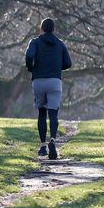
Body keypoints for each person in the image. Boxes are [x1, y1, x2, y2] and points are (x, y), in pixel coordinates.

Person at [25, 18, 72, 160]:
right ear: (53, 29)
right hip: (54, 81)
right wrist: (57, 67)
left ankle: (43, 146)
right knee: (53, 113)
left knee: (41, 112)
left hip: (39, 81)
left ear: (42, 28)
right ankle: (52, 139)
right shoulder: (60, 44)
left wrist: (30, 67)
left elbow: (29, 55)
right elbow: (68, 63)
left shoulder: (35, 42)